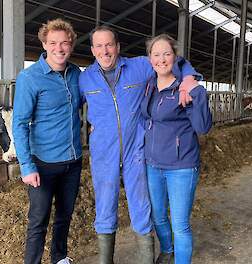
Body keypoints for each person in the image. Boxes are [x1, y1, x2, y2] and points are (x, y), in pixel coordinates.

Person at [78, 26, 200, 264]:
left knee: (141, 206)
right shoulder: (84, 78)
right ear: (93, 50)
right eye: (99, 46)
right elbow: (69, 107)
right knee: (104, 205)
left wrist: (188, 79)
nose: (105, 51)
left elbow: (178, 60)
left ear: (118, 47)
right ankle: (106, 260)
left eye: (109, 45)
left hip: (136, 152)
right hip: (103, 154)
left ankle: (146, 259)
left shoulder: (139, 67)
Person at [13, 18, 82, 264]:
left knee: (65, 215)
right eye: (53, 43)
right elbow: (19, 123)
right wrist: (26, 166)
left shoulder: (76, 74)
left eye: (64, 43)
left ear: (71, 45)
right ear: (44, 44)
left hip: (73, 161)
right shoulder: (29, 78)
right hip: (42, 164)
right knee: (38, 219)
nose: (59, 48)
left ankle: (59, 257)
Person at [141, 34, 212, 264]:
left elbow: (202, 127)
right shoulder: (149, 84)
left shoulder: (184, 87)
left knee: (180, 224)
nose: (162, 59)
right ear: (149, 58)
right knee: (158, 216)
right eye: (156, 54)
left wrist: (196, 91)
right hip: (152, 164)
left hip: (181, 166)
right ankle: (168, 249)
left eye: (167, 54)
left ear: (175, 57)